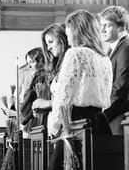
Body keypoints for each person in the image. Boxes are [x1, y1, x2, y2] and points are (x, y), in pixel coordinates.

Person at [44, 10, 112, 138]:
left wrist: (54, 126)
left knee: (64, 158)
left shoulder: (75, 53)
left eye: (68, 31)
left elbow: (63, 96)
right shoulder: (104, 58)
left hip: (76, 123)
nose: (67, 37)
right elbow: (106, 95)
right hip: (100, 121)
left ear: (76, 31)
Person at [99, 5, 129, 134]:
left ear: (121, 26)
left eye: (107, 25)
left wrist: (102, 118)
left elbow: (121, 92)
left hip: (120, 120)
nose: (102, 30)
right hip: (112, 119)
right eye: (101, 25)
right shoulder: (112, 50)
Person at [28, 23, 69, 121]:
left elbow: (71, 99)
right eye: (47, 44)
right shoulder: (56, 66)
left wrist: (47, 103)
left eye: (51, 42)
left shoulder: (71, 60)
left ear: (62, 39)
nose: (48, 48)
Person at [20, 47, 50, 133]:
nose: (29, 66)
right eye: (27, 63)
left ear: (41, 61)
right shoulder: (47, 75)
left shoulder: (40, 77)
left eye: (31, 62)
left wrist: (23, 120)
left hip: (39, 122)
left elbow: (27, 105)